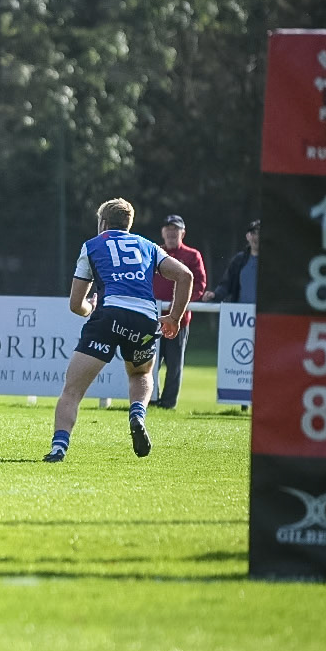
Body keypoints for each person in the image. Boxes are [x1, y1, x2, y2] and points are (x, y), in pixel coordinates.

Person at [43, 198, 194, 463]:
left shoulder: (92, 246)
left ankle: (59, 448)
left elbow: (75, 304)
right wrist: (174, 318)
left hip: (109, 314)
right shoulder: (149, 246)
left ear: (102, 223)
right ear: (129, 224)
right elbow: (185, 276)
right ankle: (137, 413)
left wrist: (89, 308)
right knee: (141, 373)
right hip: (145, 319)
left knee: (73, 389)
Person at [150, 213, 208, 410]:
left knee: (174, 365)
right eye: (168, 228)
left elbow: (199, 284)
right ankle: (150, 399)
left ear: (183, 232)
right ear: (162, 232)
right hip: (154, 316)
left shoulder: (192, 256)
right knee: (150, 361)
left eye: (175, 229)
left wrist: (178, 305)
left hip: (179, 320)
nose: (171, 232)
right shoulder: (155, 252)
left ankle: (167, 404)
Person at [204, 219, 259, 304]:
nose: (256, 237)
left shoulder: (273, 261)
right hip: (241, 314)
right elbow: (226, 284)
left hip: (266, 315)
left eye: (259, 233)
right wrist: (215, 295)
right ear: (248, 236)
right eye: (253, 233)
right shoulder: (239, 260)